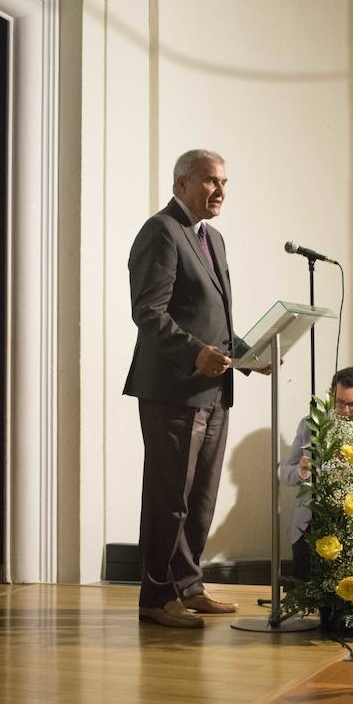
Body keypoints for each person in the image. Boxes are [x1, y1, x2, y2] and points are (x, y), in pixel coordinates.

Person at [124, 149, 263, 628]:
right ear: (181, 183)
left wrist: (249, 354)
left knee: (201, 498)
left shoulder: (213, 238)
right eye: (209, 181)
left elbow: (213, 319)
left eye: (224, 181)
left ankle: (189, 585)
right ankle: (156, 597)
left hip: (214, 391)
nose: (220, 190)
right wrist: (194, 354)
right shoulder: (161, 231)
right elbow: (149, 313)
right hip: (173, 392)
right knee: (170, 497)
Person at [279, 366, 353, 580]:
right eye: (340, 403)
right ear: (331, 395)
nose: (346, 411)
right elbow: (283, 472)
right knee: (306, 590)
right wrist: (302, 472)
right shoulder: (311, 424)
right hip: (310, 523)